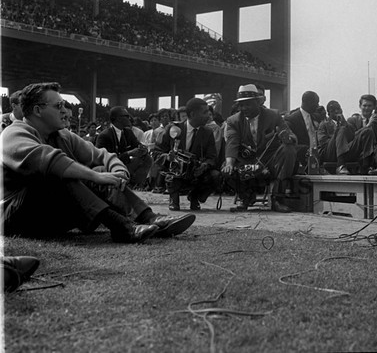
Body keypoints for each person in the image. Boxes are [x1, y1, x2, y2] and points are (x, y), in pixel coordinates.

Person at [1, 82, 195, 243]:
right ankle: (122, 226)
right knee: (58, 174)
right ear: (37, 110)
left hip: (51, 215)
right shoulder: (13, 134)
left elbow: (101, 155)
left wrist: (117, 170)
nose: (64, 111)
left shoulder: (62, 135)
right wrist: (97, 176)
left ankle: (150, 218)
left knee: (100, 168)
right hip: (16, 218)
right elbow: (51, 161)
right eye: (58, 106)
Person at [222, 84, 297, 213]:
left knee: (288, 150)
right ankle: (244, 197)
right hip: (246, 162)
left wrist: (287, 138)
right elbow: (232, 143)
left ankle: (278, 199)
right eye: (241, 105)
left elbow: (290, 135)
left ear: (258, 102)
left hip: (270, 162)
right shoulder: (233, 121)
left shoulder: (274, 115)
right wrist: (229, 163)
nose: (244, 108)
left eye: (248, 104)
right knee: (226, 168)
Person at [157, 98, 221, 211]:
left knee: (215, 176)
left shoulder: (208, 132)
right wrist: (167, 157)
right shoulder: (173, 129)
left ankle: (195, 197)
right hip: (175, 171)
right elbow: (157, 151)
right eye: (205, 112)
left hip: (196, 172)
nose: (208, 116)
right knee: (173, 174)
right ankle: (174, 199)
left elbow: (212, 157)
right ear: (192, 114)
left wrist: (204, 165)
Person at [96, 106, 153, 189]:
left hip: (125, 164)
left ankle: (133, 185)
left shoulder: (128, 132)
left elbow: (137, 145)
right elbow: (104, 160)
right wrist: (129, 153)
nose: (129, 118)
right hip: (111, 168)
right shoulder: (104, 136)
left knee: (147, 158)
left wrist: (142, 149)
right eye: (126, 116)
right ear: (118, 119)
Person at [285, 91, 320, 171]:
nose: (317, 106)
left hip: (316, 155)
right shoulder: (292, 119)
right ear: (309, 102)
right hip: (302, 157)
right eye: (316, 103)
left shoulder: (316, 118)